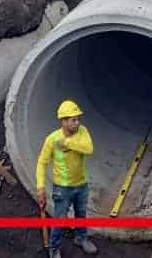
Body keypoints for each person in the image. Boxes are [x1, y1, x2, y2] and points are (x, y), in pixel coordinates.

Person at [37, 100, 97, 258]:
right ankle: (54, 248)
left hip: (81, 184)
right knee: (60, 219)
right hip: (62, 189)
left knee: (81, 213)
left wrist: (68, 143)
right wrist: (40, 187)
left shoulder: (82, 131)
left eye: (78, 119)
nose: (77, 123)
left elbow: (89, 149)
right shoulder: (52, 139)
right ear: (63, 121)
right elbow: (41, 163)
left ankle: (81, 238)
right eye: (73, 120)